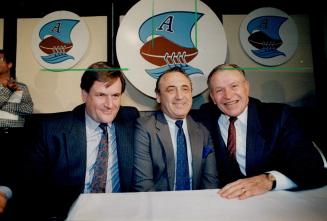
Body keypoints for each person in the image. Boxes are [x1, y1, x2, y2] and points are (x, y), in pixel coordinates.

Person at [18, 61, 139, 220]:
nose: (110, 105)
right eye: (101, 95)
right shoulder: (52, 130)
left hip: (118, 212)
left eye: (115, 96)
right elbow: (26, 180)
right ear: (84, 95)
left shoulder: (130, 120)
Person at [196, 63, 327, 200]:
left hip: (274, 202)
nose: (228, 95)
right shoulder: (204, 118)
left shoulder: (278, 117)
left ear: (246, 87)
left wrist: (268, 180)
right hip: (226, 202)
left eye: (234, 86)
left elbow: (313, 168)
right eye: (219, 90)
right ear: (212, 97)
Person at [133, 67, 218, 191]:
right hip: (158, 206)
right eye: (171, 90)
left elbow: (210, 182)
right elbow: (143, 185)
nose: (179, 96)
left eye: (185, 89)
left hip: (196, 205)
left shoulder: (203, 132)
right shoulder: (145, 128)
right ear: (158, 96)